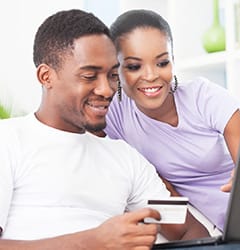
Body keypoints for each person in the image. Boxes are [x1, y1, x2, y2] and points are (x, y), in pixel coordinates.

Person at [0, 9, 213, 250]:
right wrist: (94, 241)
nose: (107, 90)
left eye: (113, 75)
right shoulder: (7, 141)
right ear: (46, 76)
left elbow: (189, 230)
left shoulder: (125, 158)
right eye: (90, 76)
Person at [96, 8, 240, 233]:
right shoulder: (115, 114)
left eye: (162, 63)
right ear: (115, 70)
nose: (150, 75)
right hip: (223, 230)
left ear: (173, 61)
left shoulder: (205, 98)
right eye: (134, 66)